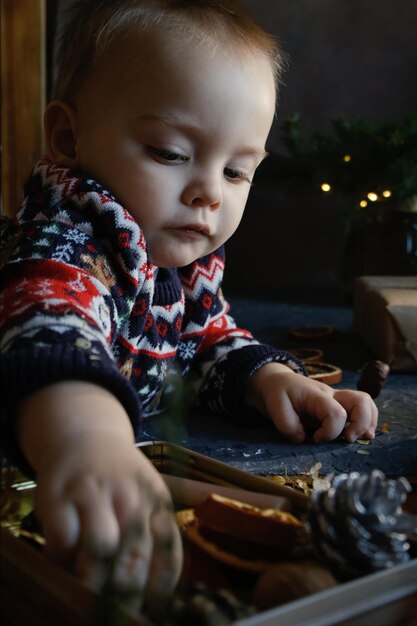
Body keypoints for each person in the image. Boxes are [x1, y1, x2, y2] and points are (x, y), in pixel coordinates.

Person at [0, 0, 378, 616]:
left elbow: (203, 341)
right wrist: (88, 439)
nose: (208, 192)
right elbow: (48, 323)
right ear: (68, 137)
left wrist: (268, 378)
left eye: (236, 171)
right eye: (171, 153)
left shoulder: (183, 264)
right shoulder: (63, 236)